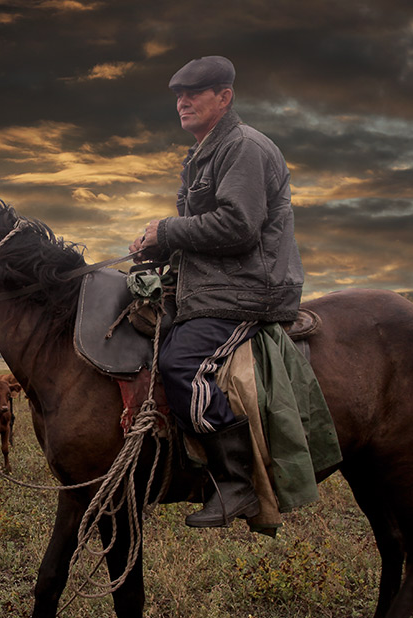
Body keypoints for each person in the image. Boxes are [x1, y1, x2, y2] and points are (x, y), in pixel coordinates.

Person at [130, 55, 304, 527]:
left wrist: (165, 231)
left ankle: (236, 482)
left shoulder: (243, 147)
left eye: (195, 93)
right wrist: (157, 250)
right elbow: (202, 233)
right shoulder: (203, 154)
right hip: (211, 286)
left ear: (224, 97)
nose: (182, 102)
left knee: (181, 361)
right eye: (178, 96)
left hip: (248, 289)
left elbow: (239, 226)